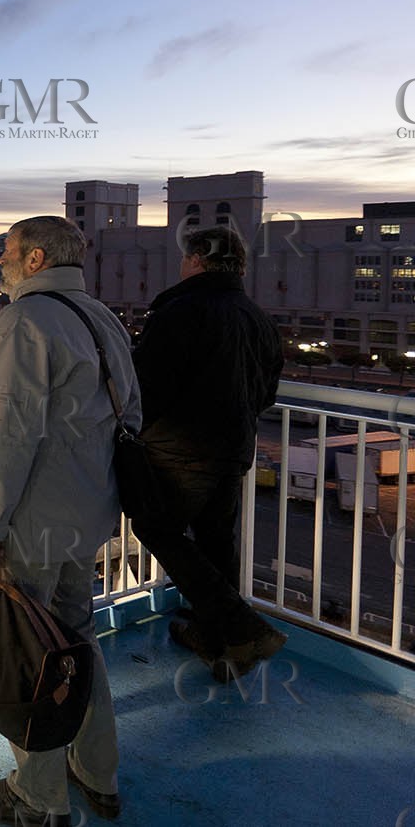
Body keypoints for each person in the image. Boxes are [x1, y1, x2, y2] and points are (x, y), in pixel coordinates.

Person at [0, 215, 136, 826]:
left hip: (30, 522)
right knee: (77, 638)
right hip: (85, 514)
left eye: (6, 251)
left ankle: (36, 795)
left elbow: (6, 431)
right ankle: (97, 772)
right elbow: (128, 409)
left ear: (33, 259)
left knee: (30, 654)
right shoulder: (100, 317)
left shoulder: (22, 322)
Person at [130, 225, 286, 682]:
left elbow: (148, 389)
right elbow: (267, 392)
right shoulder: (257, 316)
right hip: (234, 450)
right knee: (217, 542)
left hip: (180, 452)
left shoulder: (180, 310)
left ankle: (240, 625)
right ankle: (223, 646)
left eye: (185, 257)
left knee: (155, 527)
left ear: (197, 260)